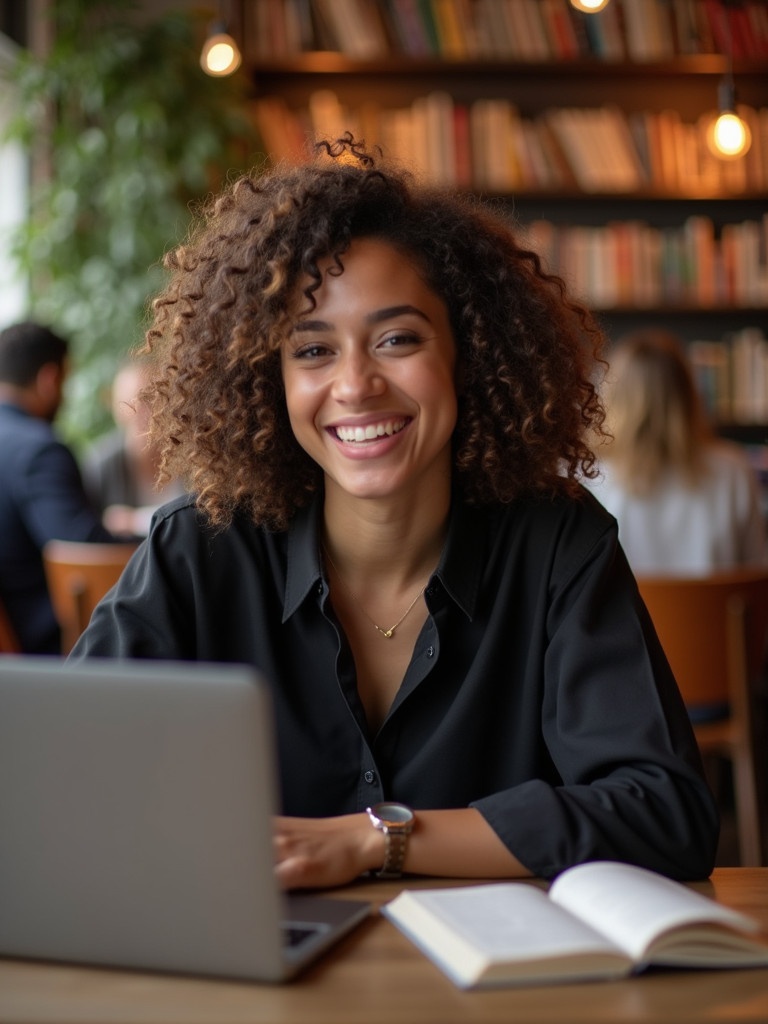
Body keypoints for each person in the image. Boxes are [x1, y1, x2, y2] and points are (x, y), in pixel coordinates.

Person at [69, 135, 719, 888]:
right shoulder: (200, 552)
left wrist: (377, 839)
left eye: (397, 339)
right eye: (312, 351)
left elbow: (666, 814)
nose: (355, 385)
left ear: (466, 354)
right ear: (268, 381)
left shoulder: (556, 545)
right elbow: (69, 779)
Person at [585, 329, 766, 575]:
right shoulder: (733, 468)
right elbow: (755, 575)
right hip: (711, 614)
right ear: (689, 395)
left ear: (615, 397)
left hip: (626, 615)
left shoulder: (590, 475)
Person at [0, 320, 118, 653]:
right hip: (48, 650)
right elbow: (85, 549)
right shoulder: (39, 449)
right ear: (49, 380)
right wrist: (156, 536)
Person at [82, 359, 183, 537]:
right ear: (114, 408)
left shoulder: (194, 457)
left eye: (149, 400)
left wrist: (134, 521)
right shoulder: (100, 464)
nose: (139, 412)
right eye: (127, 403)